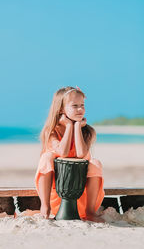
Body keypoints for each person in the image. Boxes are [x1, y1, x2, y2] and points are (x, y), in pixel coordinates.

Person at [34, 86, 105, 222]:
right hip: (58, 196)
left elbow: (81, 154)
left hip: (82, 195)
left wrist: (77, 127)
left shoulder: (87, 131)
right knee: (46, 158)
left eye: (82, 105)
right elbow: (63, 152)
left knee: (95, 163)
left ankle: (90, 212)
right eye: (75, 106)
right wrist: (69, 127)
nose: (80, 109)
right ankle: (45, 206)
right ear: (61, 109)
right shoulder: (52, 132)